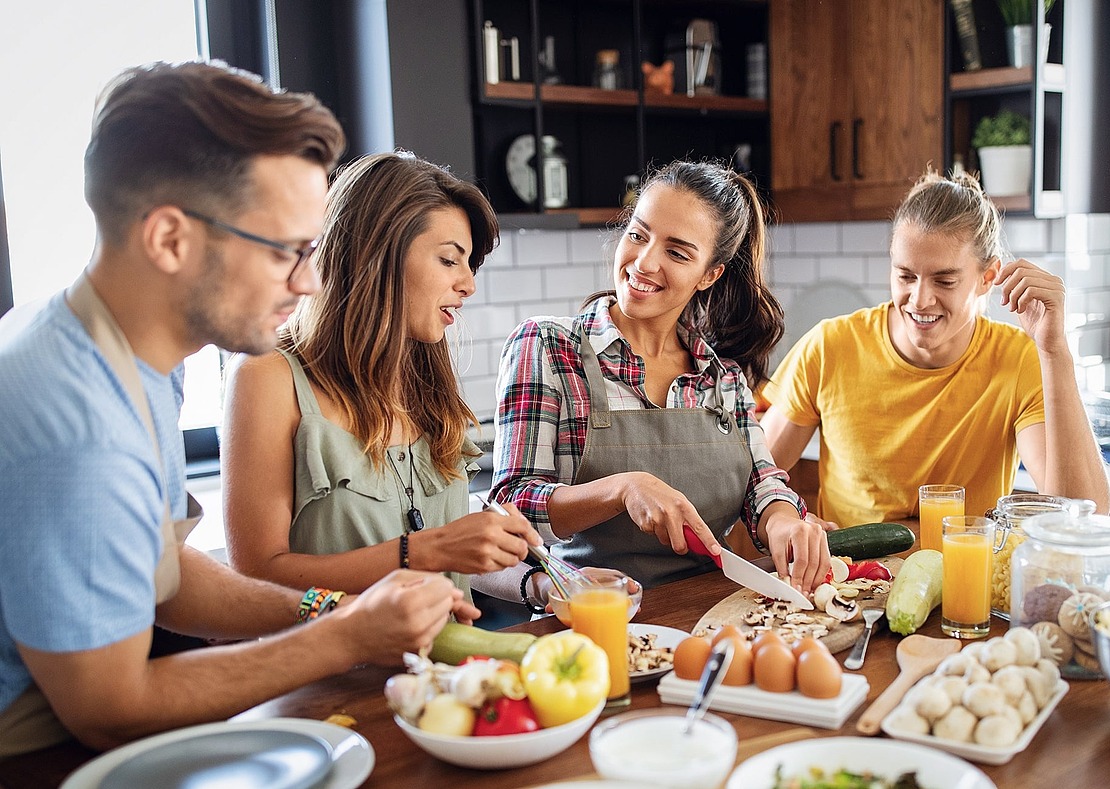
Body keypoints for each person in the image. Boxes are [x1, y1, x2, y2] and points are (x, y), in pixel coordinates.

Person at [0, 61, 477, 758]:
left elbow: (168, 571)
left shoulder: (127, 354)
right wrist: (342, 636)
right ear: (170, 239)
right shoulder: (80, 424)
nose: (310, 280)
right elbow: (109, 708)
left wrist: (334, 607)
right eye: (286, 249)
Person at [490, 159, 831, 600]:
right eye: (638, 234)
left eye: (676, 252)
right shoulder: (548, 348)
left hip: (712, 615)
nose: (644, 261)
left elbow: (761, 484)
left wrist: (784, 520)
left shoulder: (723, 378)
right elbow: (512, 508)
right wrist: (621, 488)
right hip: (590, 618)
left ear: (710, 274)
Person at [221, 151, 539, 598]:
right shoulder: (268, 376)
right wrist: (421, 551)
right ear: (378, 255)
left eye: (469, 265)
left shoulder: (423, 375)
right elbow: (257, 577)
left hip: (456, 668)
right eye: (450, 260)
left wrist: (523, 570)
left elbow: (447, 553)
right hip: (334, 666)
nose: (468, 283)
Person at [761, 168, 1110, 527]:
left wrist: (1055, 353)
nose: (920, 299)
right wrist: (789, 518)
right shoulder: (829, 347)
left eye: (944, 280)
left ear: (987, 278)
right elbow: (755, 478)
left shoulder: (1018, 361)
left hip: (967, 579)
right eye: (905, 276)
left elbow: (1087, 517)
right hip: (852, 580)